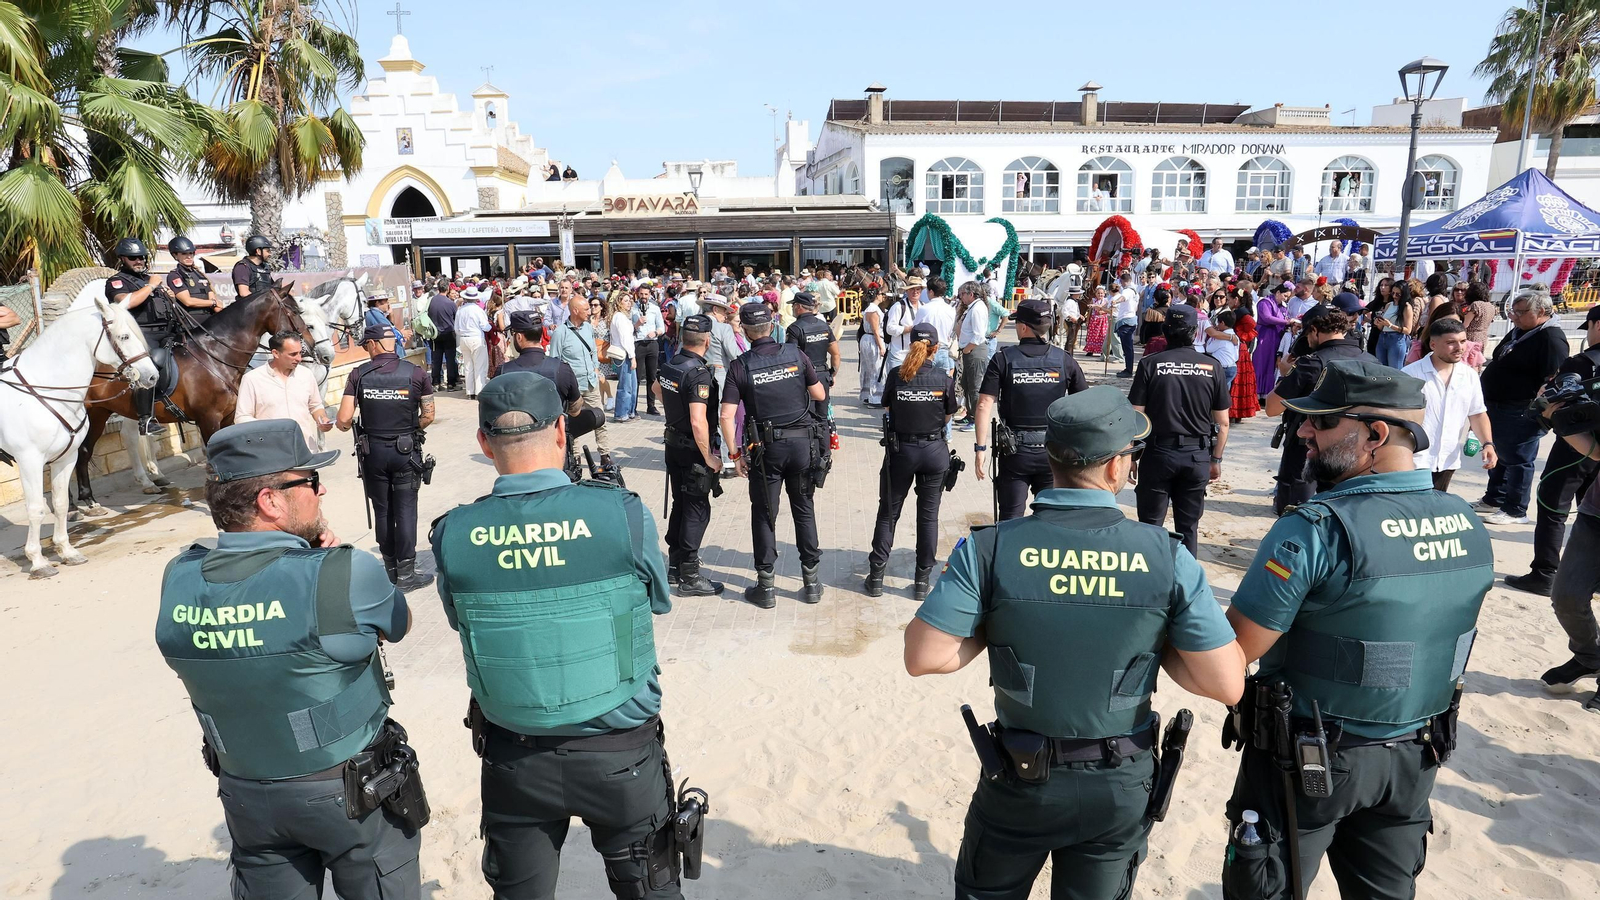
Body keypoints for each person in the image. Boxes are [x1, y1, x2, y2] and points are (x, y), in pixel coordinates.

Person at [906, 386, 1245, 900]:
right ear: (1114, 469)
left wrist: (1000, 620)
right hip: (1118, 782)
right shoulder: (1165, 555)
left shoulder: (991, 547)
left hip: (1019, 778)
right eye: (1130, 456)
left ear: (1051, 458)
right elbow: (1226, 684)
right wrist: (1158, 640)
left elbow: (923, 657)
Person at [1221, 359, 1492, 900]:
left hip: (1311, 763)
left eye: (1322, 423)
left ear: (1376, 433)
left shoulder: (1313, 528)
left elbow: (1234, 655)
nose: (1304, 432)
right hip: (1417, 756)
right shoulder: (1467, 522)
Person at [428, 372, 691, 900]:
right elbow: (659, 601)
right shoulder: (621, 512)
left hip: (514, 756)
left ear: (483, 442)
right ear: (561, 434)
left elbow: (462, 621)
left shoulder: (453, 533)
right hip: (621, 753)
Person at [155, 419, 422, 900]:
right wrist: (330, 559)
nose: (320, 493)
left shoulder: (180, 575)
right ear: (270, 501)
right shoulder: (344, 570)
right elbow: (397, 624)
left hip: (246, 795)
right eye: (310, 482)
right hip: (349, 793)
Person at [720, 302, 828, 608]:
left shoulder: (740, 365)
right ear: (773, 324)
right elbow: (819, 394)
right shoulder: (795, 354)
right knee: (804, 510)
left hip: (766, 451)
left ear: (742, 329)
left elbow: (726, 416)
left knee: (765, 514)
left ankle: (766, 587)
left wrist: (735, 453)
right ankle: (812, 584)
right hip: (802, 446)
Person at [1507, 306, 1600, 597]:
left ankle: (1544, 574)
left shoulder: (1582, 362)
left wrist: (1548, 412)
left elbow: (1549, 401)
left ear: (1597, 324)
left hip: (1577, 444)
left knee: (1552, 505)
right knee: (1593, 511)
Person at [336, 324, 436, 590]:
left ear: (374, 344)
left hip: (373, 454)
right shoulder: (416, 373)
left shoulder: (358, 375)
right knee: (405, 511)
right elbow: (428, 415)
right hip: (406, 452)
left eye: (366, 345)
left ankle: (391, 569)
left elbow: (344, 420)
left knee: (383, 510)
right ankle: (406, 574)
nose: (365, 350)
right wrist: (408, 428)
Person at [1128, 304, 1232, 556]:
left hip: (1158, 453)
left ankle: (1151, 583)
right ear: (1195, 332)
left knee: (1150, 527)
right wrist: (1215, 458)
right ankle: (1186, 586)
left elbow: (1135, 415)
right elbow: (1223, 422)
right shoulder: (1212, 366)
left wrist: (1130, 455)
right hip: (1196, 455)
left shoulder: (1151, 364)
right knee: (1188, 528)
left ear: (1165, 330)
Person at [974, 299, 1088, 521]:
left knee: (1010, 517)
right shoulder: (1064, 360)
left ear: (1024, 327)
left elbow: (983, 404)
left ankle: (1010, 555)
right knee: (1052, 517)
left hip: (1015, 452)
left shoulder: (1003, 358)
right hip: (1054, 452)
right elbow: (1084, 403)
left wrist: (980, 448)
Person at [866, 323, 958, 600]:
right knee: (928, 517)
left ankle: (876, 578)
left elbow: (886, 406)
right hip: (934, 451)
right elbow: (948, 415)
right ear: (936, 347)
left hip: (901, 451)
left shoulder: (897, 375)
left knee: (889, 512)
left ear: (910, 344)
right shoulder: (943, 377)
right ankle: (921, 582)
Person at [1476, 289, 1568, 525]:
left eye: (1520, 312)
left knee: (1518, 458)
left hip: (1521, 408)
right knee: (1500, 453)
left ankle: (1516, 509)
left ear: (1542, 312)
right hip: (1499, 404)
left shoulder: (1550, 338)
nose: (1514, 317)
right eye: (1512, 311)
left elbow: (1554, 377)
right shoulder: (1521, 331)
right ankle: (1495, 498)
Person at [659, 314, 725, 597]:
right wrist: (709, 457)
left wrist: (676, 412)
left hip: (673, 444)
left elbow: (655, 389)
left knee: (681, 504)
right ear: (707, 340)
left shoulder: (671, 363)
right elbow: (699, 421)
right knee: (697, 509)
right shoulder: (698, 373)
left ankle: (675, 566)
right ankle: (690, 576)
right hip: (692, 451)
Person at [1403, 318, 1496, 493]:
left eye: (1462, 341)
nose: (1459, 347)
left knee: (1436, 513)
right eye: (1450, 342)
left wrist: (1488, 444)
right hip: (1414, 461)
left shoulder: (1469, 376)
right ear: (1433, 344)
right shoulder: (1410, 375)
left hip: (1447, 460)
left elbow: (1477, 414)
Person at [104, 236, 174, 435]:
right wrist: (151, 287)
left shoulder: (148, 280)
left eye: (142, 257)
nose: (139, 261)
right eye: (133, 258)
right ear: (123, 259)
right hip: (142, 335)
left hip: (168, 331)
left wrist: (168, 295)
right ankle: (146, 419)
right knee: (147, 364)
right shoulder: (117, 281)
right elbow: (126, 302)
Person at [548, 292, 617, 473]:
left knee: (600, 419)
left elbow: (593, 351)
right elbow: (554, 362)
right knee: (573, 424)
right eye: (586, 309)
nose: (590, 312)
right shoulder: (560, 333)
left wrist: (595, 368)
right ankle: (575, 457)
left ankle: (605, 455)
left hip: (591, 383)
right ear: (575, 310)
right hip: (573, 388)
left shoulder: (587, 328)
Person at [235, 330, 333, 448]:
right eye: (293, 354)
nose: (299, 358)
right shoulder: (252, 379)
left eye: (300, 353)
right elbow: (241, 418)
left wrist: (322, 420)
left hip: (306, 449)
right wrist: (271, 429)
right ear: (276, 353)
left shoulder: (306, 374)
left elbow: (316, 406)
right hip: (272, 453)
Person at [786, 290, 840, 426]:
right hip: (823, 374)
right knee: (822, 417)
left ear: (799, 307)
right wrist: (832, 374)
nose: (792, 308)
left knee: (806, 416)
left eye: (793, 305)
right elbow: (836, 354)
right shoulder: (824, 326)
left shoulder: (794, 328)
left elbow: (792, 356)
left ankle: (811, 446)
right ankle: (825, 447)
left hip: (804, 377)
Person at [163, 236, 223, 330]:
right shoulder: (175, 275)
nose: (189, 256)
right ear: (175, 255)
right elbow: (188, 301)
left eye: (191, 253)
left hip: (209, 321)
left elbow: (212, 299)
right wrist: (213, 302)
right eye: (184, 254)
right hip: (190, 323)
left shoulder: (200, 275)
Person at [953, 282, 990, 429]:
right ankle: (970, 414)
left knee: (974, 386)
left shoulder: (977, 309)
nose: (961, 297)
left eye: (963, 294)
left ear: (971, 294)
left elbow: (978, 335)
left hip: (974, 350)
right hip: (969, 350)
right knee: (966, 385)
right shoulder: (973, 307)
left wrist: (967, 349)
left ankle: (976, 419)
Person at [455, 287, 492, 399]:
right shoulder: (478, 310)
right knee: (480, 365)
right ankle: (479, 391)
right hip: (476, 338)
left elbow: (456, 329)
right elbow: (486, 327)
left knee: (468, 365)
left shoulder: (460, 310)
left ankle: (470, 391)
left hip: (464, 338)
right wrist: (491, 325)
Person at [634, 287, 665, 416]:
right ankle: (632, 406)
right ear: (637, 294)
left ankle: (651, 405)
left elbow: (661, 328)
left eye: (646, 294)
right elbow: (627, 329)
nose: (643, 296)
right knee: (636, 376)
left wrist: (656, 332)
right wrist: (637, 324)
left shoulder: (655, 308)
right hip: (638, 343)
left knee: (652, 376)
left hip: (652, 343)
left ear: (650, 294)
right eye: (641, 294)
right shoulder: (632, 308)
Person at [609, 290, 639, 422]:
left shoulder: (622, 316)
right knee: (626, 385)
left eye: (629, 300)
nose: (629, 303)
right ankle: (621, 413)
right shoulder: (620, 317)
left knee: (632, 385)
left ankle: (630, 411)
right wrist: (632, 357)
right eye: (625, 301)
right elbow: (625, 339)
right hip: (624, 354)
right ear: (619, 303)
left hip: (626, 353)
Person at [858, 287, 887, 406]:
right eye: (881, 294)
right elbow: (875, 330)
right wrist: (881, 346)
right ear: (877, 295)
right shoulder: (873, 310)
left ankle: (866, 395)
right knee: (877, 368)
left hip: (866, 338)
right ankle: (875, 398)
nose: (883, 296)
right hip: (873, 339)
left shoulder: (869, 309)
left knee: (868, 368)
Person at [428, 286, 460, 390]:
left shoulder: (432, 301)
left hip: (435, 334)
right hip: (449, 333)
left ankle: (436, 382)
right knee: (450, 359)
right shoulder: (450, 303)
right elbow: (456, 317)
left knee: (436, 359)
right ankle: (451, 383)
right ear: (447, 289)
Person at [231, 235, 275, 300]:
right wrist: (264, 301)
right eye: (268, 251)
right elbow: (244, 293)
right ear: (258, 251)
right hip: (249, 308)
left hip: (264, 307)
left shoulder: (265, 267)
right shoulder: (243, 267)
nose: (270, 254)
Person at [1113, 273, 1141, 377]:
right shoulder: (1135, 291)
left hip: (1126, 320)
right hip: (1131, 318)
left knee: (1127, 347)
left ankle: (1129, 370)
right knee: (1127, 347)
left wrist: (1115, 301)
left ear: (1123, 281)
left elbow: (1123, 298)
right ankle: (1128, 368)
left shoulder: (1127, 290)